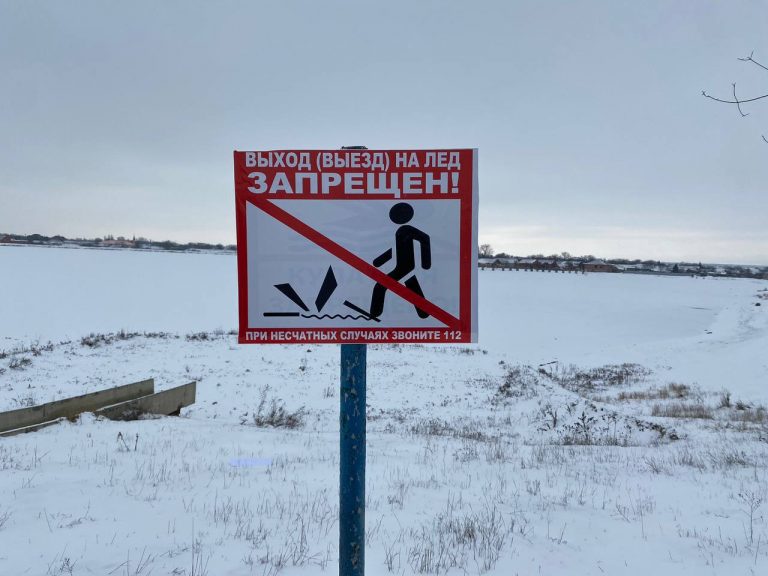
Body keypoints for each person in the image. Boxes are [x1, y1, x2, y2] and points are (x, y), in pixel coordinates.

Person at [369, 202, 431, 319]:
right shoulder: (399, 231)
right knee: (411, 285)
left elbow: (424, 239)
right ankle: (424, 312)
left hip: (406, 267)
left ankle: (374, 314)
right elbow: (393, 251)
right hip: (402, 267)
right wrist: (379, 261)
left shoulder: (406, 229)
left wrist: (426, 263)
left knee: (380, 286)